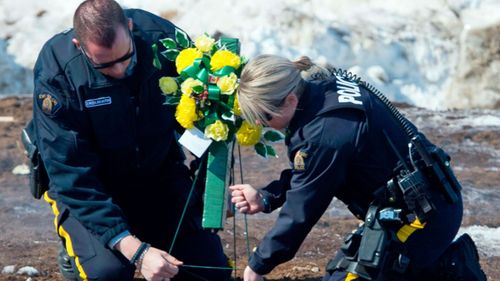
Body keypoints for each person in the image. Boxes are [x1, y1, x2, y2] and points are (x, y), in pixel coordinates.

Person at [230, 54, 487, 281]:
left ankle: (449, 268)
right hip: (412, 205)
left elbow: (303, 208)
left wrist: (258, 264)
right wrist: (267, 197)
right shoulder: (322, 90)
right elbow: (313, 173)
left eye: (264, 117)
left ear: (289, 100)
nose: (263, 125)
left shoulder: (325, 133)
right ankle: (431, 268)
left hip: (424, 216)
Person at [28, 0, 232, 280]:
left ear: (131, 28)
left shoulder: (165, 43)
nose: (121, 70)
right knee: (108, 273)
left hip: (157, 172)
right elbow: (71, 174)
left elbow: (208, 115)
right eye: (106, 65)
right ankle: (79, 253)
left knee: (210, 272)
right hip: (93, 186)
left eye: (127, 57)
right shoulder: (58, 72)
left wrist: (213, 192)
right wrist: (137, 251)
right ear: (80, 46)